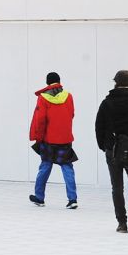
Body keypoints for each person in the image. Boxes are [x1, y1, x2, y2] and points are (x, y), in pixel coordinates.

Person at [95, 70, 128, 234]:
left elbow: (99, 126)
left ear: (116, 82)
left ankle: (122, 223)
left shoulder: (107, 103)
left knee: (117, 187)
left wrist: (104, 146)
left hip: (112, 148)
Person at [29, 72, 78, 209]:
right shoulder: (68, 96)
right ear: (59, 81)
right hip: (65, 138)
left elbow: (40, 120)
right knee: (67, 167)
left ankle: (39, 197)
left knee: (45, 166)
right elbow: (71, 114)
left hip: (48, 139)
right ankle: (72, 199)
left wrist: (39, 138)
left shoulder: (43, 98)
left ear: (47, 82)